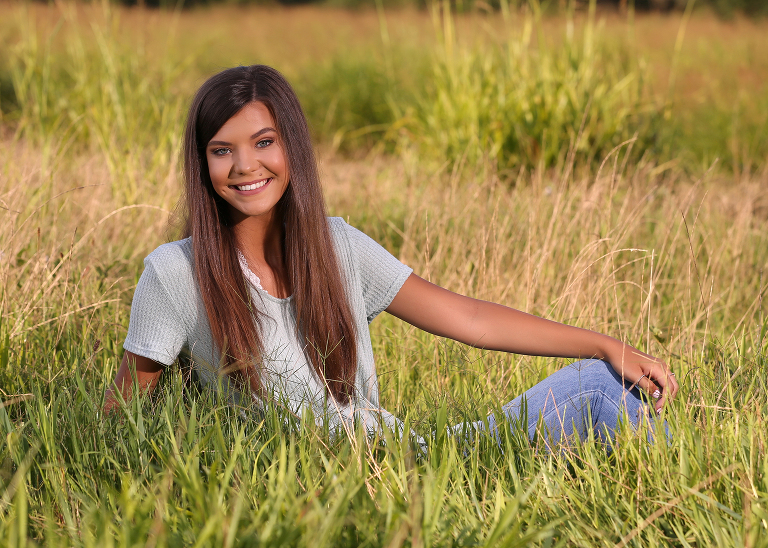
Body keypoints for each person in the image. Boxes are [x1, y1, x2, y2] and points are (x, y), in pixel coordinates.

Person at [104, 65, 678, 449]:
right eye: (221, 150)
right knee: (602, 392)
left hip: (412, 460)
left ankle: (667, 505)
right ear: (203, 165)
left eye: (263, 142)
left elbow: (470, 322)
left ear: (292, 147)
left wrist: (607, 344)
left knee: (604, 381)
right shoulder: (174, 273)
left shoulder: (336, 247)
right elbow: (119, 419)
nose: (245, 166)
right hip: (346, 481)